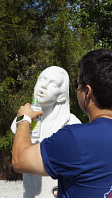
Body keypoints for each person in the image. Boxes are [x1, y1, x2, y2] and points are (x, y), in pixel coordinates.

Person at [12, 49, 112, 198]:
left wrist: (24, 119)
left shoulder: (74, 136)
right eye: (41, 79)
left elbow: (19, 161)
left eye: (77, 84)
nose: (43, 86)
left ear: (87, 92)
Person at [11, 66, 81, 197]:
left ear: (61, 97)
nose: (43, 86)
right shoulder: (21, 121)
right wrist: (24, 120)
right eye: (42, 80)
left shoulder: (71, 124)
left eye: (53, 84)